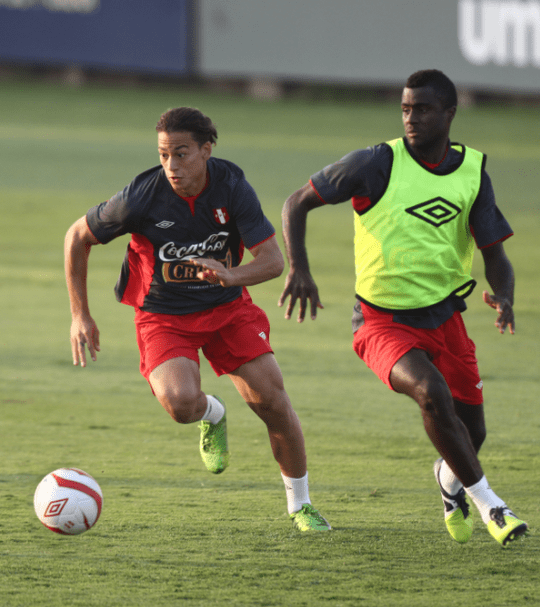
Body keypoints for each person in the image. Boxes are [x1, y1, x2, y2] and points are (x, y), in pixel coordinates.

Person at [279, 70, 528, 546]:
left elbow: (494, 252)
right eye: (406, 108)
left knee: (471, 433)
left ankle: (449, 482)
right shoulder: (376, 163)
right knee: (431, 393)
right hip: (381, 320)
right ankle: (492, 505)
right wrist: (300, 269)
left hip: (446, 319)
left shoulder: (472, 171)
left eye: (424, 109)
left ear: (450, 114)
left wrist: (506, 295)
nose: (411, 118)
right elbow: (296, 203)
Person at [65, 107, 329, 531]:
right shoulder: (141, 197)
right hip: (163, 316)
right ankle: (212, 414)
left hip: (227, 310)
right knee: (181, 404)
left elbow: (273, 261)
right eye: (164, 154)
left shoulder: (232, 188)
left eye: (182, 154)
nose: (171, 165)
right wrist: (80, 314)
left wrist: (230, 275)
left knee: (273, 403)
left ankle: (301, 506)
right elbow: (76, 236)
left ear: (206, 150)